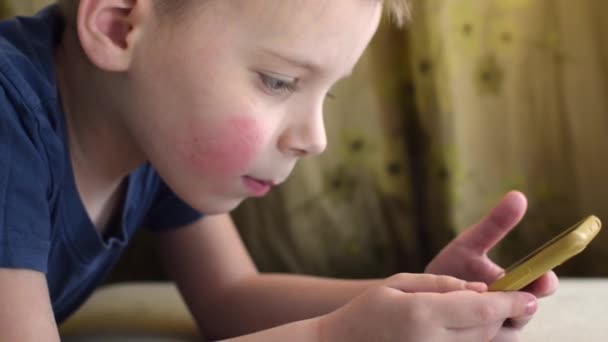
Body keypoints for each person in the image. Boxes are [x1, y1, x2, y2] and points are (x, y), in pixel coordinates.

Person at [0, 0, 558, 341]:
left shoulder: (152, 129)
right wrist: (329, 338)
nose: (315, 140)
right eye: (278, 81)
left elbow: (230, 298)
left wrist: (418, 302)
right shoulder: (9, 119)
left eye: (327, 95)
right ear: (121, 27)